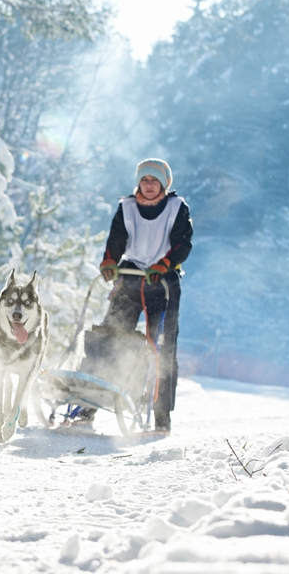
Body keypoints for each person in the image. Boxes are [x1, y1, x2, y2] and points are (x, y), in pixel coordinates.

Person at [97, 158, 193, 433]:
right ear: (138, 183)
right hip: (130, 279)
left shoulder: (177, 207)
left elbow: (183, 243)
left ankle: (161, 416)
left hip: (163, 283)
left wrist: (165, 263)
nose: (149, 185)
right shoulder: (126, 207)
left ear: (164, 184)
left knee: (163, 348)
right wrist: (109, 262)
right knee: (109, 337)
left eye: (154, 180)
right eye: (145, 180)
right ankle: (88, 405)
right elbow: (116, 240)